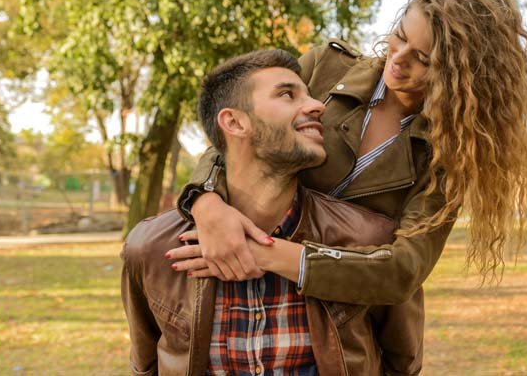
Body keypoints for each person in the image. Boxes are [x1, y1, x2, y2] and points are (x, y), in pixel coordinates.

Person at [169, 0, 527, 371]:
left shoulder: (448, 157)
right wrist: (206, 202)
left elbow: (403, 269)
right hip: (247, 301)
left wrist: (268, 252)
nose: (398, 61)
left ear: (462, 78)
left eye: (423, 60)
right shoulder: (323, 69)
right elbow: (236, 135)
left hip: (350, 329)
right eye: (400, 36)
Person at [121, 49, 400, 375]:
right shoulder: (151, 249)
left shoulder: (366, 239)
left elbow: (401, 362)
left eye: (308, 95)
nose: (317, 106)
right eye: (287, 95)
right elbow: (146, 365)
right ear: (235, 122)